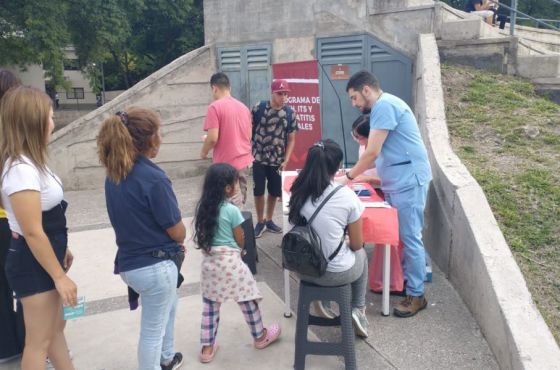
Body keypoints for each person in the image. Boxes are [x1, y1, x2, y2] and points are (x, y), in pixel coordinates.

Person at [97, 107, 186, 370]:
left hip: (132, 263)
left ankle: (167, 357)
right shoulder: (154, 179)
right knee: (152, 330)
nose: (162, 137)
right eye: (159, 132)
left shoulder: (114, 174)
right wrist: (180, 237)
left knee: (168, 306)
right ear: (148, 139)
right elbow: (177, 230)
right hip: (154, 268)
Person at [340, 70, 432, 318]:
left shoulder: (383, 106)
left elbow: (371, 152)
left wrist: (347, 178)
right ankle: (407, 287)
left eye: (354, 97)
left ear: (366, 90)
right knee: (401, 237)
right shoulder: (385, 106)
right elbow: (376, 156)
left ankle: (416, 295)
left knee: (410, 237)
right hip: (398, 182)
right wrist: (351, 173)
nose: (354, 103)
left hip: (408, 182)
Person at [0, 86, 77, 370]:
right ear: (34, 122)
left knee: (55, 331)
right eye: (50, 117)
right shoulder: (20, 169)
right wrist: (59, 276)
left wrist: (62, 249)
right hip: (32, 264)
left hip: (43, 259)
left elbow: (47, 219)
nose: (53, 123)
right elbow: (31, 230)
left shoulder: (31, 163)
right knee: (38, 343)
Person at [193, 163, 281, 363]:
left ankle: (207, 349)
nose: (237, 185)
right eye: (235, 183)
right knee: (247, 299)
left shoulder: (203, 208)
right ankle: (260, 336)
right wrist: (241, 249)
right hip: (231, 264)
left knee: (210, 306)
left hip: (209, 265)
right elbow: (240, 237)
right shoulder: (232, 210)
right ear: (227, 188)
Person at [289, 139, 369, 338]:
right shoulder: (347, 197)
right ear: (338, 167)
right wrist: (349, 244)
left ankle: (322, 300)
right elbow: (357, 243)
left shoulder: (297, 190)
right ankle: (358, 308)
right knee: (361, 253)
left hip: (302, 269)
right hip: (334, 273)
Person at [251, 79, 298, 237]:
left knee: (274, 192)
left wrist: (286, 160)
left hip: (277, 161)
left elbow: (291, 139)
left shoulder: (290, 114)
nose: (283, 97)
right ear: (272, 93)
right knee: (258, 191)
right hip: (258, 158)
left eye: (286, 94)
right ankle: (260, 221)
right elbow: (249, 131)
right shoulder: (259, 108)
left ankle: (269, 220)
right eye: (280, 94)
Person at [0, 69, 24, 364]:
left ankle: (7, 347)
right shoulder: (10, 134)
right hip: (8, 221)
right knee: (25, 287)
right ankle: (31, 341)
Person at [200, 72, 254, 208]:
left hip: (225, 166)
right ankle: (241, 226)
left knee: (227, 206)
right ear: (229, 88)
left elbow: (212, 138)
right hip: (243, 162)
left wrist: (204, 152)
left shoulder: (214, 107)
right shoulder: (244, 108)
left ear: (214, 88)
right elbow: (248, 136)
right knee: (240, 200)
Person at [350, 114, 381, 187]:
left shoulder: (381, 151)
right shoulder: (362, 146)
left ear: (369, 136)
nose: (355, 139)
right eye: (353, 135)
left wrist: (368, 178)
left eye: (357, 136)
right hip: (366, 186)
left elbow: (392, 180)